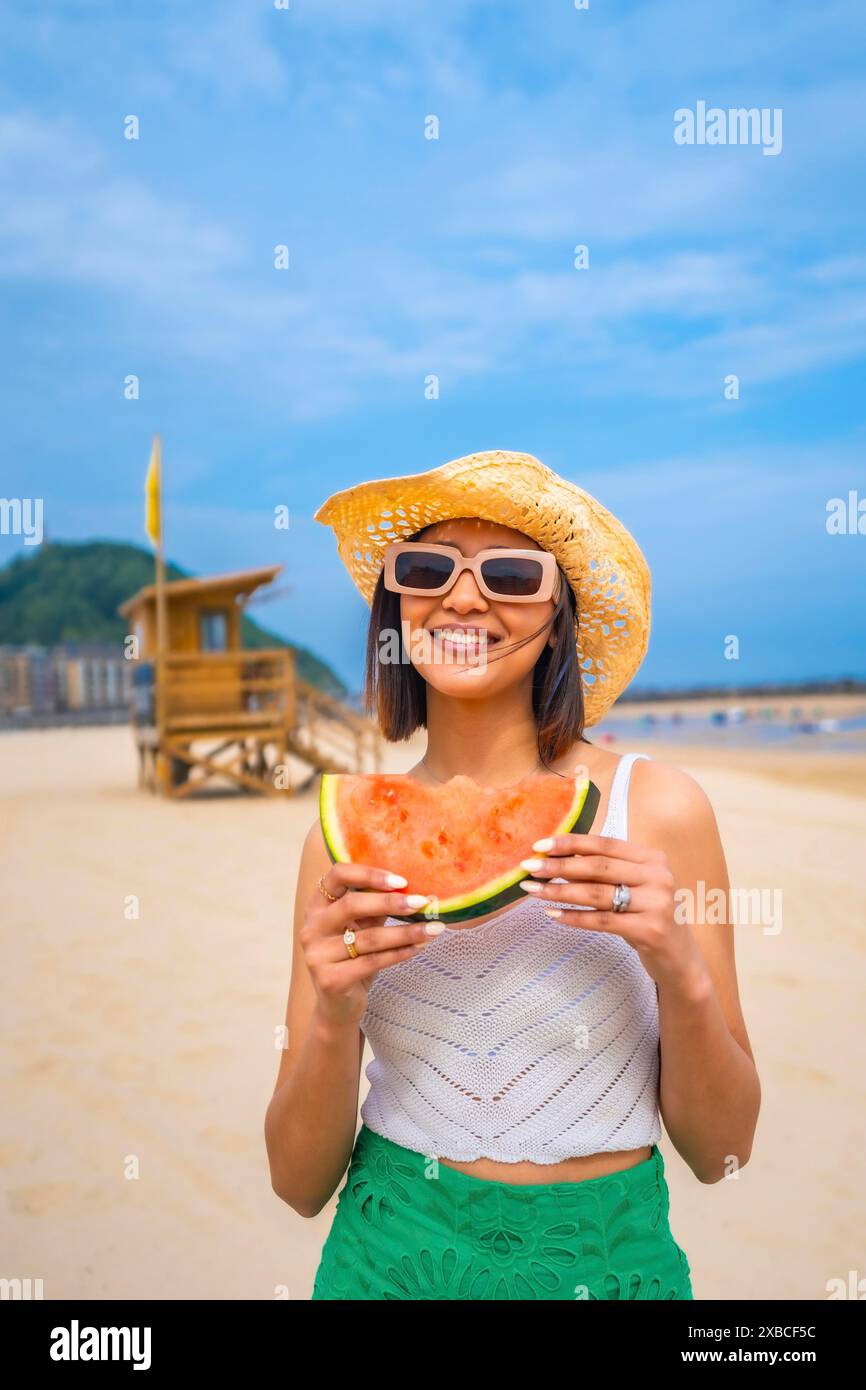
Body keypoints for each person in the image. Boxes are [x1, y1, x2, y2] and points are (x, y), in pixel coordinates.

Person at [264, 449, 761, 1301]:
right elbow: (296, 1183)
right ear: (397, 608)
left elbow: (724, 1154)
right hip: (391, 1261)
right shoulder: (340, 842)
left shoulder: (662, 808)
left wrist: (678, 971)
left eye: (509, 573)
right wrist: (332, 1018)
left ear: (559, 616)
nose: (463, 596)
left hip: (607, 1263)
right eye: (426, 569)